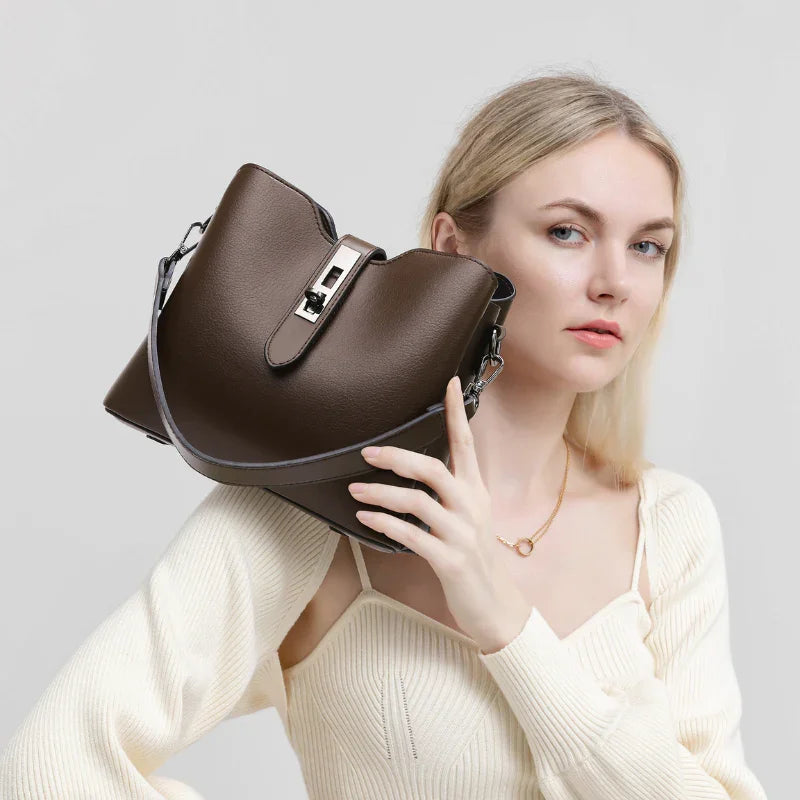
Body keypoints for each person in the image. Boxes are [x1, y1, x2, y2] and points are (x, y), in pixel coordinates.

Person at [0, 72, 768, 799]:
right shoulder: (318, 505)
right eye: (567, 232)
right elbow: (52, 767)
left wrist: (505, 623)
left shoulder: (668, 525)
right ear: (453, 246)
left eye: (648, 246)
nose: (615, 281)